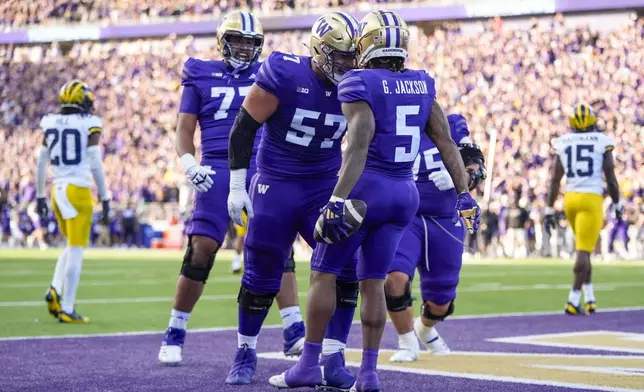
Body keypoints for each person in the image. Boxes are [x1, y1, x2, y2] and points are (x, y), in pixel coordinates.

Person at [269, 10, 481, 391]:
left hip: (368, 190)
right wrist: (464, 193)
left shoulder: (359, 81)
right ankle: (368, 374)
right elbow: (447, 142)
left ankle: (306, 365)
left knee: (324, 273)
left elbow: (360, 142)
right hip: (405, 195)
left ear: (368, 44)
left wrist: (337, 198)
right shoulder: (421, 82)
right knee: (372, 282)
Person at [157, 10, 304, 365]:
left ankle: (293, 329)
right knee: (202, 246)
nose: (244, 48)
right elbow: (183, 128)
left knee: (277, 246)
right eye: (237, 40)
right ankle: (175, 330)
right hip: (217, 167)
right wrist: (188, 163)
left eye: (251, 42)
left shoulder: (271, 73)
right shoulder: (200, 72)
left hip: (261, 168)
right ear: (223, 41)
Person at [225, 12, 360, 387]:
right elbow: (243, 128)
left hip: (323, 188)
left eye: (353, 56)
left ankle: (333, 356)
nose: (348, 64)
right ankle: (245, 350)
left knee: (347, 267)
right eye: (340, 56)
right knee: (261, 271)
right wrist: (238, 186)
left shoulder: (360, 83)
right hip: (277, 183)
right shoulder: (284, 72)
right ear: (318, 52)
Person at [385, 114, 486, 363]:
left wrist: (462, 178)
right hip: (407, 216)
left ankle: (425, 328)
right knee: (394, 277)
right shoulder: (391, 122)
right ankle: (406, 341)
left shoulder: (451, 125)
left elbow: (477, 167)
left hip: (445, 219)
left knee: (441, 301)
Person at [37, 79, 110, 323]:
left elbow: (40, 161)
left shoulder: (50, 122)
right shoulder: (90, 124)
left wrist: (39, 195)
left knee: (70, 246)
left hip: (56, 189)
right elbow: (95, 164)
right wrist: (105, 195)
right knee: (77, 250)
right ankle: (67, 308)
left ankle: (55, 289)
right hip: (77, 190)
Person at [544, 103, 622, 315]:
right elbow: (611, 178)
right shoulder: (602, 140)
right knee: (584, 251)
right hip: (591, 198)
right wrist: (618, 203)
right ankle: (573, 299)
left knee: (584, 248)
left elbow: (554, 180)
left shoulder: (563, 142)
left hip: (570, 198)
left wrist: (549, 209)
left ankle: (590, 298)